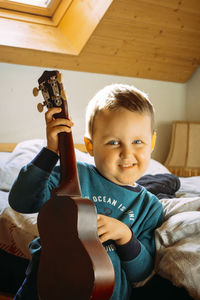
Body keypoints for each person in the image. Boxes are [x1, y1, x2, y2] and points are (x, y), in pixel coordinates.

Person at [9, 83, 164, 300]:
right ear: (90, 146)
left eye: (138, 141)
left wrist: (125, 236)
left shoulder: (149, 206)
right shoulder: (73, 175)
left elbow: (142, 272)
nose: (127, 153)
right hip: (44, 288)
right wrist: (50, 152)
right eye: (113, 142)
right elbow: (21, 202)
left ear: (153, 142)